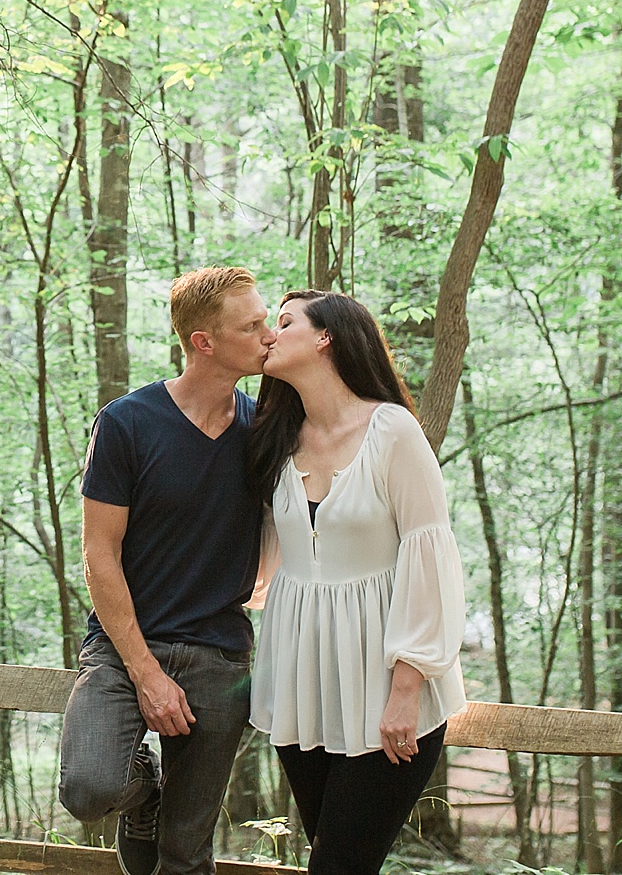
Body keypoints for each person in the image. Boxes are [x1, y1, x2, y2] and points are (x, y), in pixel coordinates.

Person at [59, 266, 277, 875]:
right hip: (124, 647)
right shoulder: (127, 422)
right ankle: (145, 794)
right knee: (90, 790)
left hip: (219, 655)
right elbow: (99, 555)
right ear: (203, 342)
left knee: (186, 852)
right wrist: (147, 673)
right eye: (252, 325)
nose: (268, 335)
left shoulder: (265, 430)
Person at [246, 290, 468, 875]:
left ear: (327, 337)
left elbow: (431, 557)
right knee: (340, 861)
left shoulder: (391, 430)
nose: (270, 333)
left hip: (387, 693)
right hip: (304, 690)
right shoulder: (275, 436)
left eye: (285, 322)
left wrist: (406, 687)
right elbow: (261, 556)